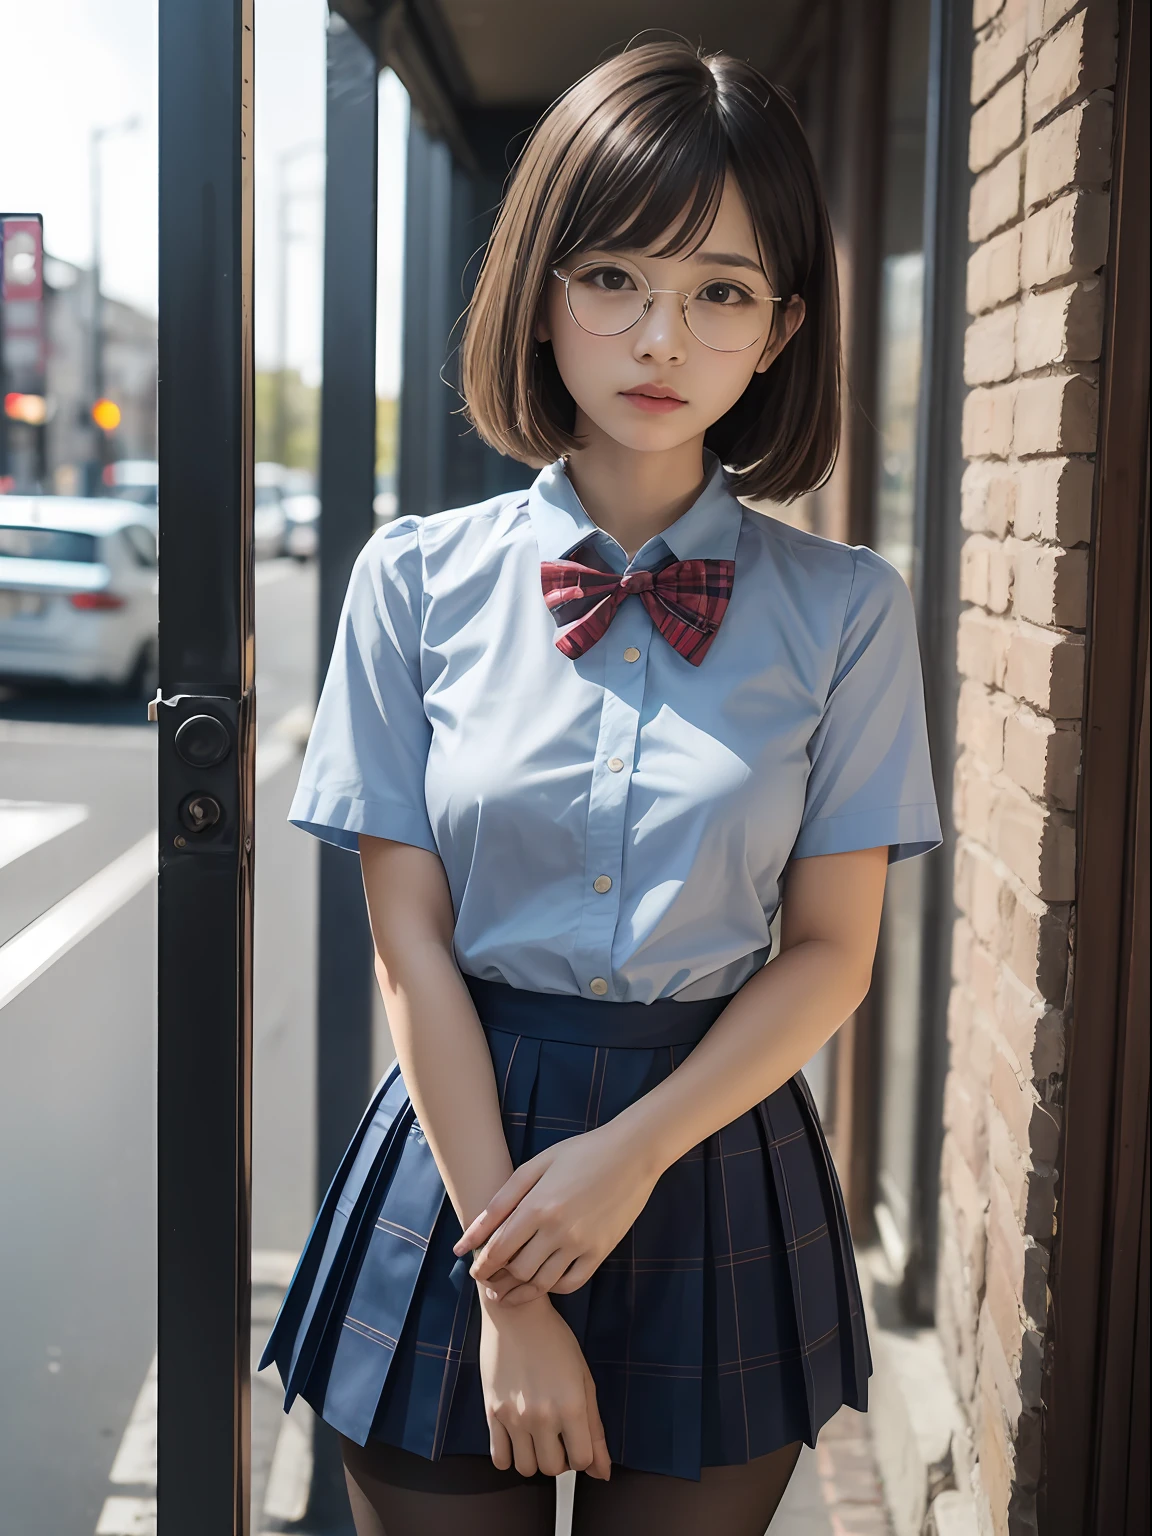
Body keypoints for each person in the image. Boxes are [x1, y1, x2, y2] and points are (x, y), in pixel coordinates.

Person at [260, 38, 942, 1535]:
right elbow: (409, 946)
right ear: (543, 293)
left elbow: (830, 957)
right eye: (615, 277)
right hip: (464, 1160)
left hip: (714, 1150)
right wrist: (509, 1282)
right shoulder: (413, 582)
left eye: (720, 291)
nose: (661, 337)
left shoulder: (846, 610)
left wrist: (629, 1160)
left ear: (780, 332)